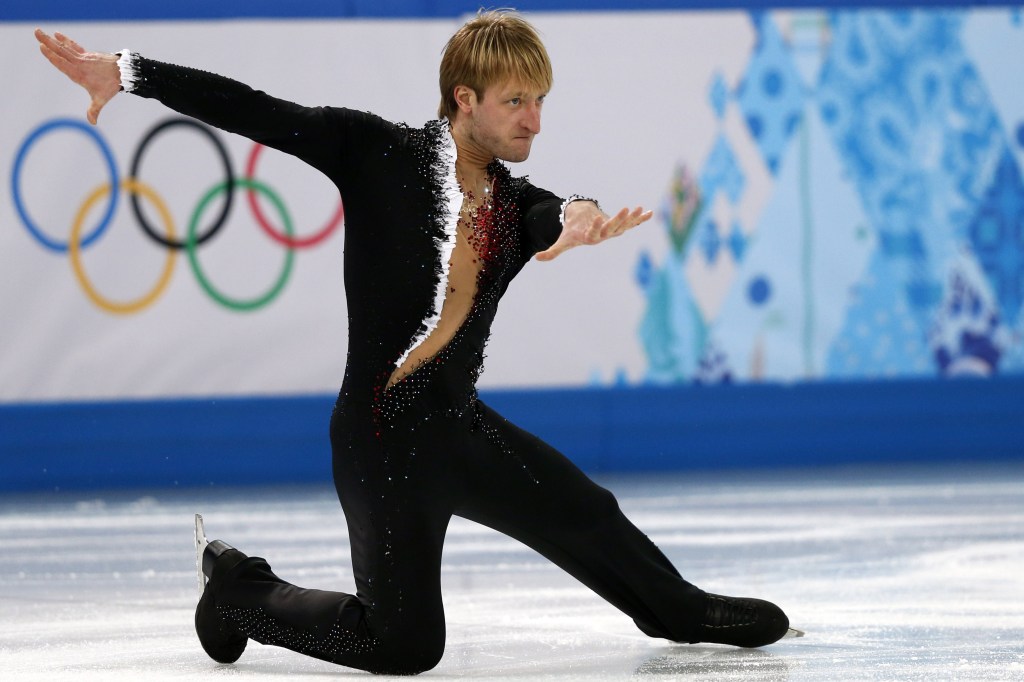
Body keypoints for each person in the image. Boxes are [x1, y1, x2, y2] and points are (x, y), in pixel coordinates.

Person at [34, 11, 793, 675]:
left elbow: (552, 213)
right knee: (404, 646)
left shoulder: (514, 200)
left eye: (540, 102)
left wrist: (577, 217)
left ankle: (680, 611)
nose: (534, 121)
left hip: (461, 429)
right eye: (517, 102)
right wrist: (127, 72)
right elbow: (258, 110)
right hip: (381, 442)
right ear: (466, 99)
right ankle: (239, 590)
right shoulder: (375, 153)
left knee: (588, 513)